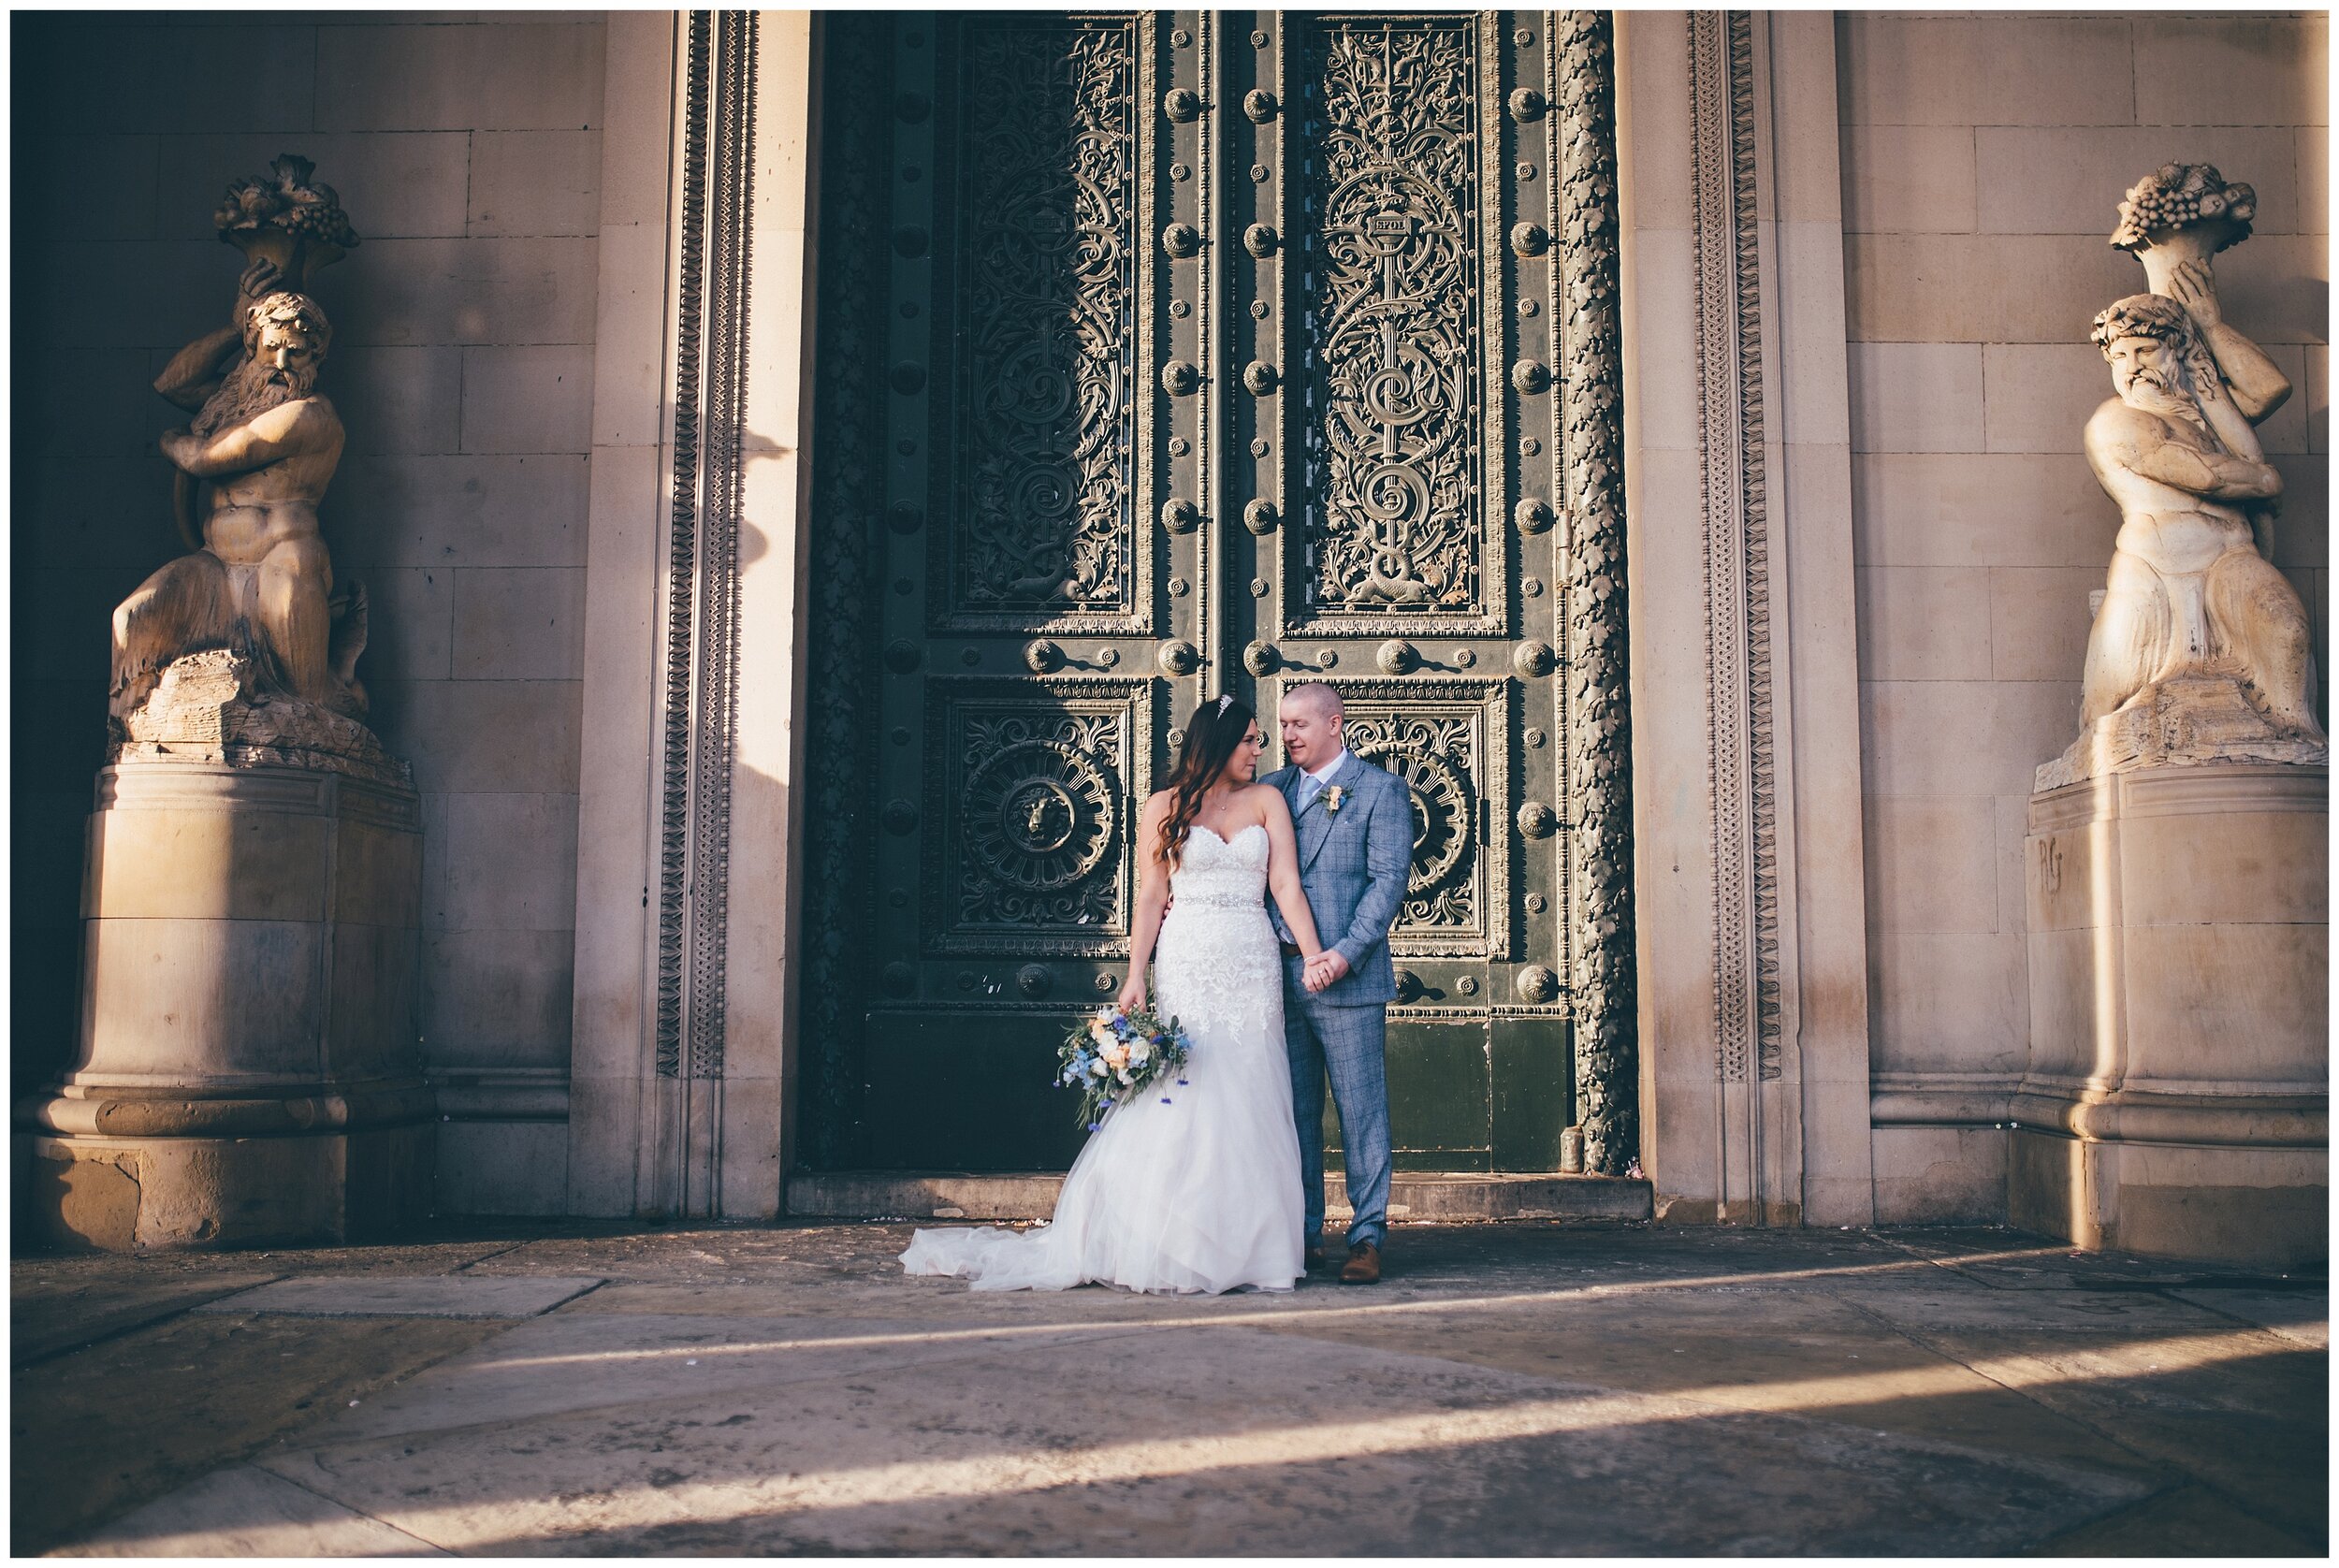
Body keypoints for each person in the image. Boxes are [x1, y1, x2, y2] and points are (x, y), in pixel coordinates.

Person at [902, 695, 1332, 1294]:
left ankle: (1247, 1247)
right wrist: (1136, 974)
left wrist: (1313, 953)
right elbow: (1152, 896)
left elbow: (1284, 883)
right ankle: (1170, 1239)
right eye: (1250, 740)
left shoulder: (1268, 802)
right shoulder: (1165, 806)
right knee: (1186, 1087)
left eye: (1262, 739)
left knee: (1251, 1084)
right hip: (1187, 956)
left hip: (1250, 959)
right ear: (1218, 743)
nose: (1260, 750)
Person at [1258, 682, 1412, 1285]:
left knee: (1361, 1112)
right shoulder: (1269, 790)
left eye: (1299, 724)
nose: (1288, 735)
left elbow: (1387, 883)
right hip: (1278, 977)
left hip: (1347, 980)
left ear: (1334, 724)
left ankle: (1367, 1235)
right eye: (1283, 724)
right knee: (1293, 1112)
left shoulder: (1380, 789)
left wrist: (1343, 956)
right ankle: (1302, 1234)